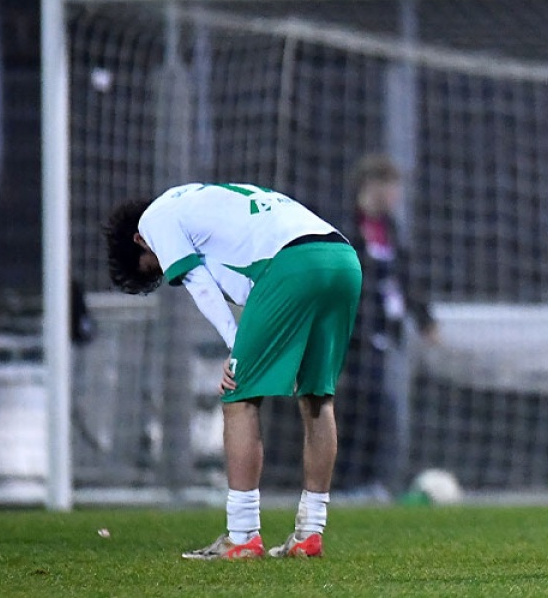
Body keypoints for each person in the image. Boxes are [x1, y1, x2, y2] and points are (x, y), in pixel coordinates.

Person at [104, 182, 361, 559]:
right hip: (342, 258)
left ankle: (241, 536)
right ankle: (310, 533)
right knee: (317, 396)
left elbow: (199, 283)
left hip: (292, 264)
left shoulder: (154, 220)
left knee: (238, 396)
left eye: (155, 264)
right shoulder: (193, 198)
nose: (165, 268)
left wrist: (234, 344)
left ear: (140, 239)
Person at [334, 154, 438, 503]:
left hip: (380, 337)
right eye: (391, 187)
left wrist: (424, 320)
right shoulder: (346, 229)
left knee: (378, 409)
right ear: (372, 187)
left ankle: (371, 483)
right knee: (359, 408)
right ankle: (349, 484)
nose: (396, 195)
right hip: (350, 336)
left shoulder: (390, 229)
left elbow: (404, 279)